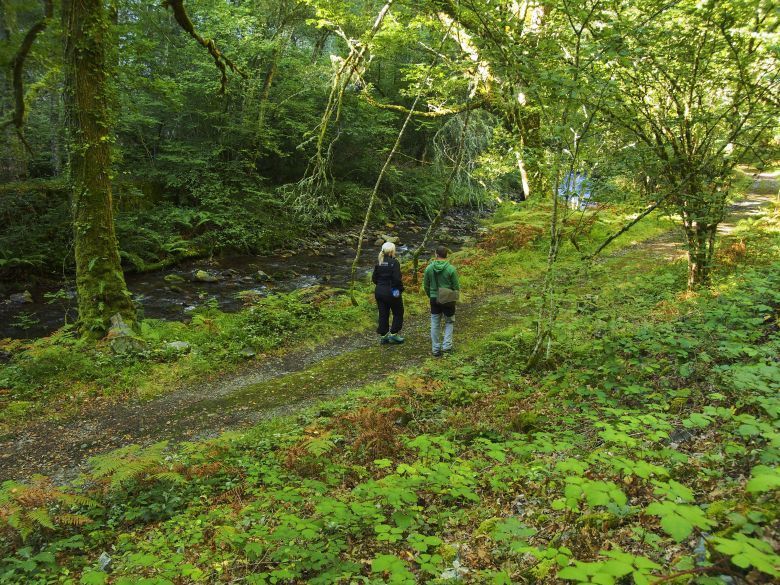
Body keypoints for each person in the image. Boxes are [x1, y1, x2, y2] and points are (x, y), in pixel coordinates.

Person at [423, 246, 460, 356]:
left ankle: (435, 349)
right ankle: (447, 347)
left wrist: (431, 295)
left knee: (435, 322)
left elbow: (426, 285)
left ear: (436, 254)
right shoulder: (451, 269)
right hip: (448, 297)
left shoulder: (429, 268)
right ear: (447, 255)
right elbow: (456, 286)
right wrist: (453, 296)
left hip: (434, 298)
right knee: (449, 321)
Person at [372, 241, 405, 344]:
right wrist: (399, 289)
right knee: (398, 312)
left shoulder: (379, 262)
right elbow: (397, 279)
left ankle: (384, 336)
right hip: (392, 292)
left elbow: (374, 278)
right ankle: (394, 334)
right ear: (392, 251)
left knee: (383, 313)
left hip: (379, 292)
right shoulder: (394, 263)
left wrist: (381, 285)